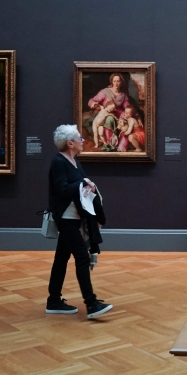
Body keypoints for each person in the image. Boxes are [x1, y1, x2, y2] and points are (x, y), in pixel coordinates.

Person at [47, 125, 113, 319]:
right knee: (82, 258)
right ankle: (91, 304)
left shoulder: (74, 161)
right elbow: (62, 190)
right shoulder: (58, 162)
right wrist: (83, 184)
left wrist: (89, 187)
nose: (83, 140)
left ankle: (53, 301)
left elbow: (77, 186)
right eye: (80, 138)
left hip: (75, 217)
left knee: (61, 259)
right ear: (70, 143)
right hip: (66, 218)